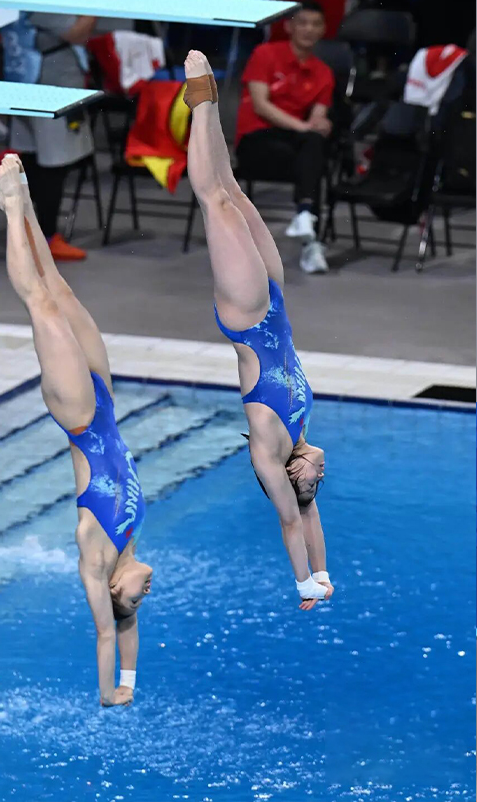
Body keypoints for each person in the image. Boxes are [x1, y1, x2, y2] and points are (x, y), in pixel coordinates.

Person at [0, 153, 153, 705]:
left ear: (113, 588)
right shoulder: (129, 541)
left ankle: (10, 209)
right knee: (60, 289)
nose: (146, 593)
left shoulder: (97, 554)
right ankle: (28, 205)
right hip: (104, 402)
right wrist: (132, 682)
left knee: (42, 305)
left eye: (136, 597)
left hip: (81, 418)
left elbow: (109, 632)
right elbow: (129, 628)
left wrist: (109, 691)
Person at [184, 50, 334, 610]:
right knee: (235, 191)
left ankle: (199, 100)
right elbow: (312, 517)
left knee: (216, 203)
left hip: (248, 319)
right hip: (275, 302)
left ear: (296, 475)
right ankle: (210, 107)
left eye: (315, 480)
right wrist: (324, 574)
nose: (323, 473)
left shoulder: (271, 451)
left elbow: (293, 521)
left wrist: (303, 585)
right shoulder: (299, 431)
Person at [235, 1, 334, 274]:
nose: (309, 29)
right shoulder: (265, 54)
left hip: (293, 143)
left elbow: (318, 116)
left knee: (314, 145)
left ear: (323, 29)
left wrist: (320, 124)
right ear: (289, 27)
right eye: (303, 23)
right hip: (257, 140)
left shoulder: (323, 72)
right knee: (312, 159)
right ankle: (311, 237)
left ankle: (305, 218)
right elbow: (260, 105)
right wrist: (303, 127)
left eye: (316, 24)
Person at [9, 12, 99, 262]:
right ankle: (46, 238)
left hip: (26, 78)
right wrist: (95, 7)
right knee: (53, 163)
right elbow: (77, 33)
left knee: (33, 158)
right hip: (49, 85)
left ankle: (31, 233)